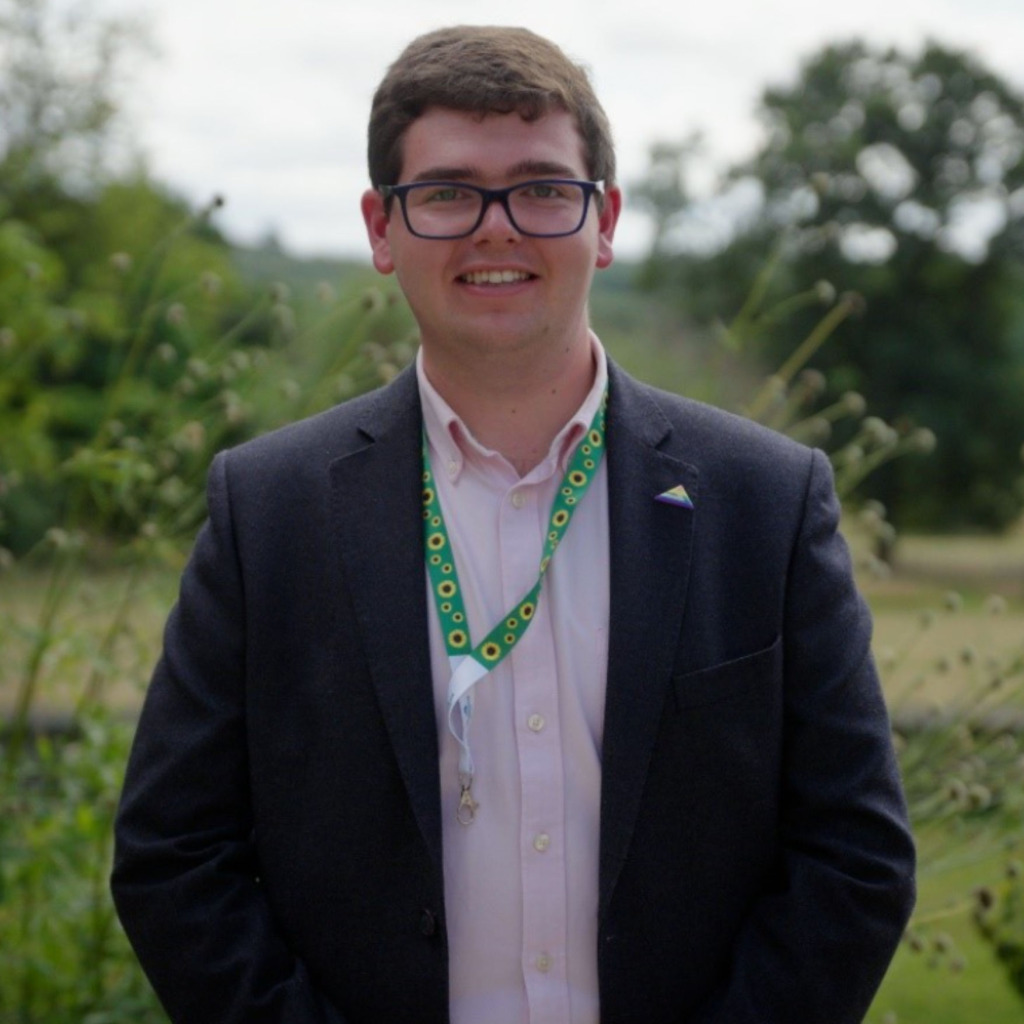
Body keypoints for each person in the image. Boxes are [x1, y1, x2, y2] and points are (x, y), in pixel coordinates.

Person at [111, 25, 915, 1024]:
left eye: (540, 187)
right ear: (379, 227)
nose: (497, 228)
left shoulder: (767, 498)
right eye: (447, 193)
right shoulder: (266, 509)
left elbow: (854, 855)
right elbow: (173, 855)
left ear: (605, 219)